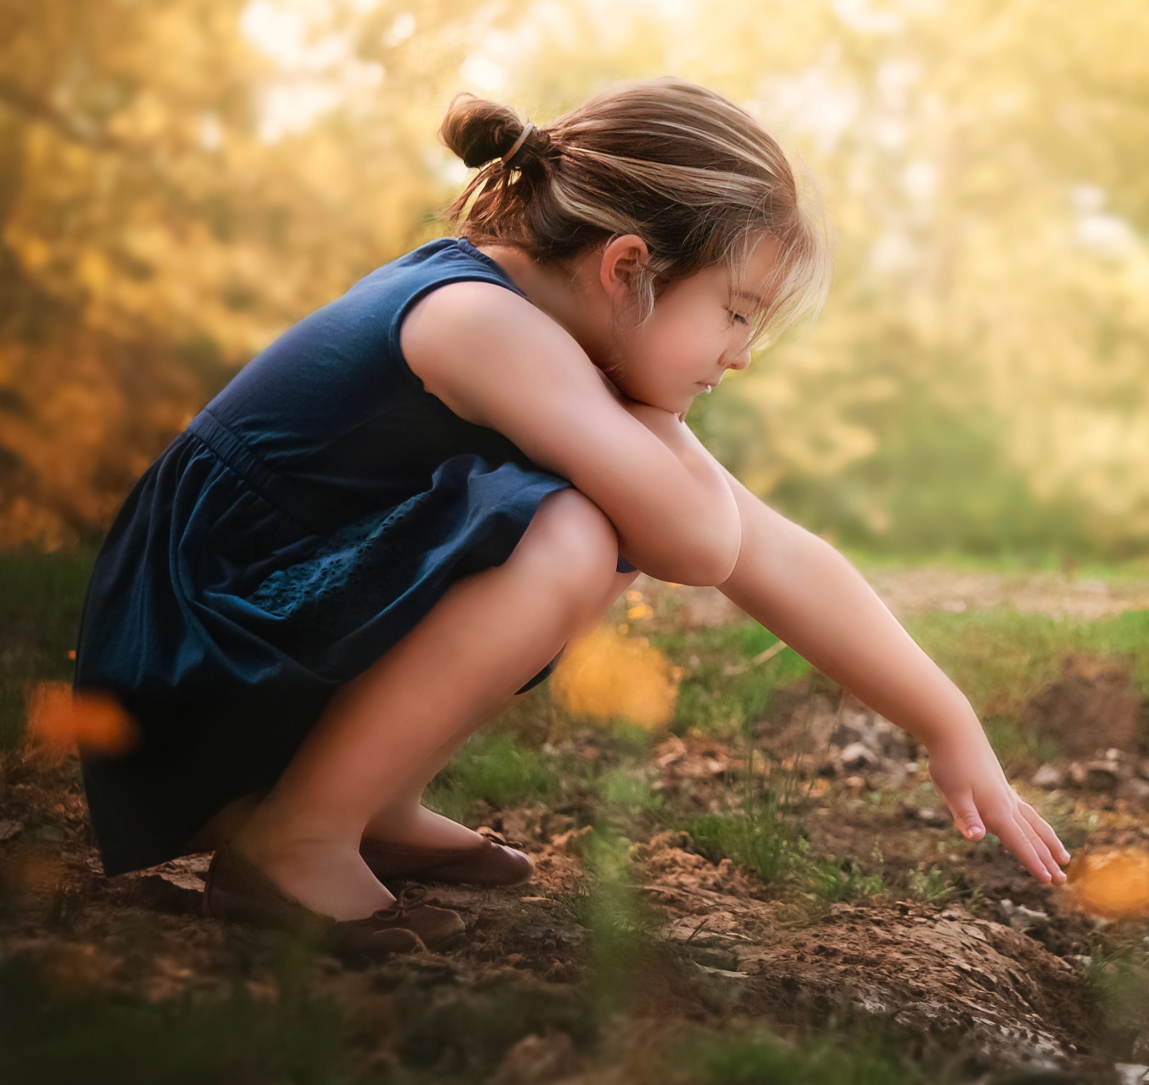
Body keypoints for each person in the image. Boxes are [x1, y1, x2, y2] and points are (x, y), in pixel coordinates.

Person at [72, 79, 1069, 958]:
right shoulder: (483, 324)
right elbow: (698, 541)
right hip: (201, 632)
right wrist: (658, 437)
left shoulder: (559, 344)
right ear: (628, 267)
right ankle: (294, 842)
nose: (743, 354)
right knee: (577, 532)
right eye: (735, 312)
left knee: (592, 515)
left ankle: (366, 802)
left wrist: (947, 720)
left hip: (266, 615)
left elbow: (772, 551)